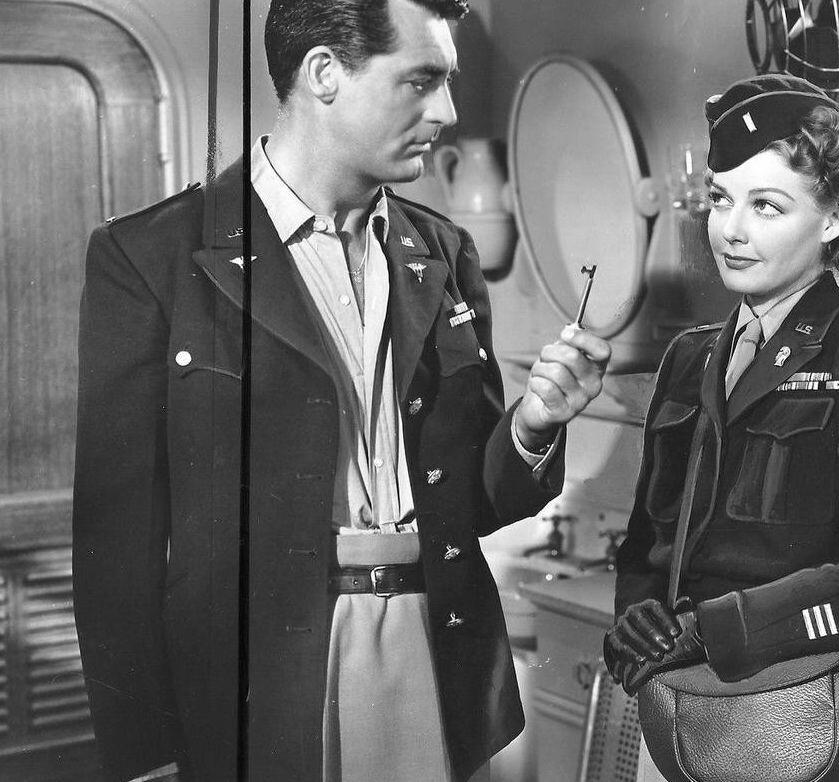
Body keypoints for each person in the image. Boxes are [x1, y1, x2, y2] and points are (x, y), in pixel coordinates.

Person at [71, 0, 610, 780]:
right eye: (420, 81)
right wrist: (144, 759)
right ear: (324, 73)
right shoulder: (153, 257)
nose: (447, 112)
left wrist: (531, 428)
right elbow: (115, 548)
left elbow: (471, 503)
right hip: (259, 687)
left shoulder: (442, 252)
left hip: (435, 660)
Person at [605, 74, 839, 779]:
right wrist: (636, 619)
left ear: (833, 220)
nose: (730, 230)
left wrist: (712, 630)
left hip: (812, 715)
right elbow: (648, 541)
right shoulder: (688, 358)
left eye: (765, 205)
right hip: (679, 711)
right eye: (720, 199)